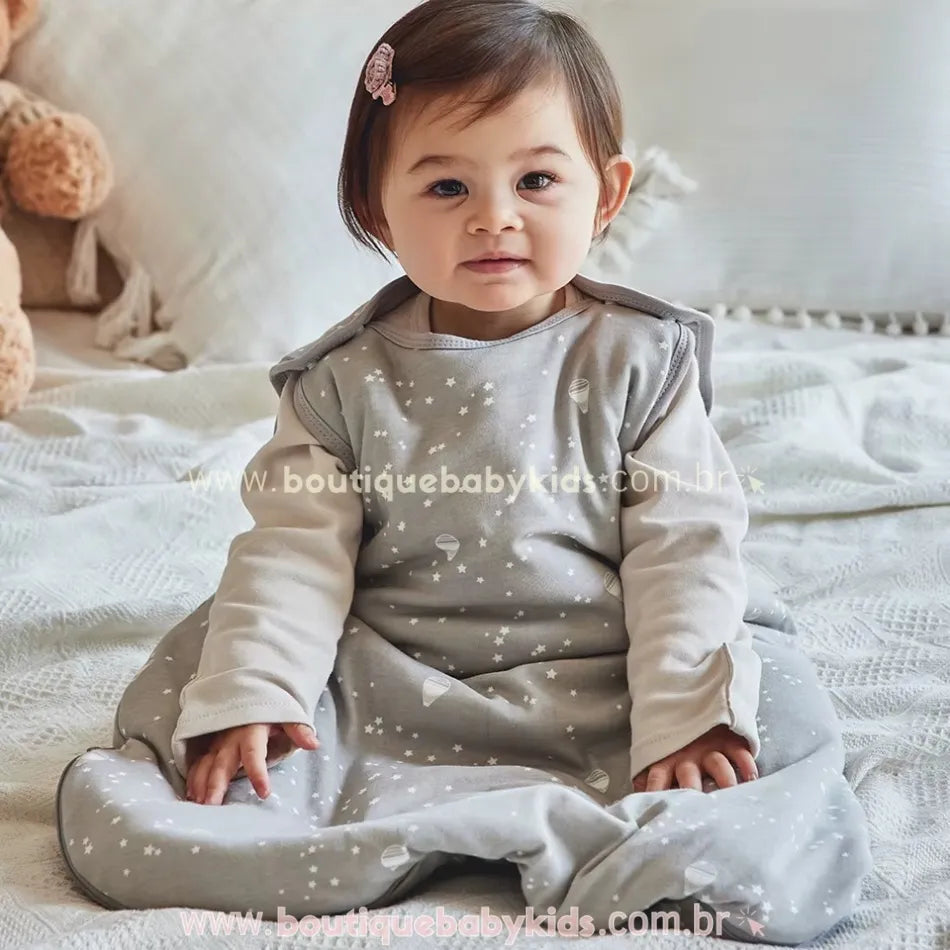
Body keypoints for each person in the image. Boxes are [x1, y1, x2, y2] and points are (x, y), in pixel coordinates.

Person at [175, 0, 762, 809]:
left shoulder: (641, 362)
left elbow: (682, 548)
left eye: (537, 180)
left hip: (609, 664)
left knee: (740, 762)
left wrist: (684, 714)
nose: (494, 217)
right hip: (397, 667)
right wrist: (259, 690)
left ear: (607, 195)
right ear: (378, 207)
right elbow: (294, 554)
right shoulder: (341, 385)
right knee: (223, 778)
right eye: (448, 184)